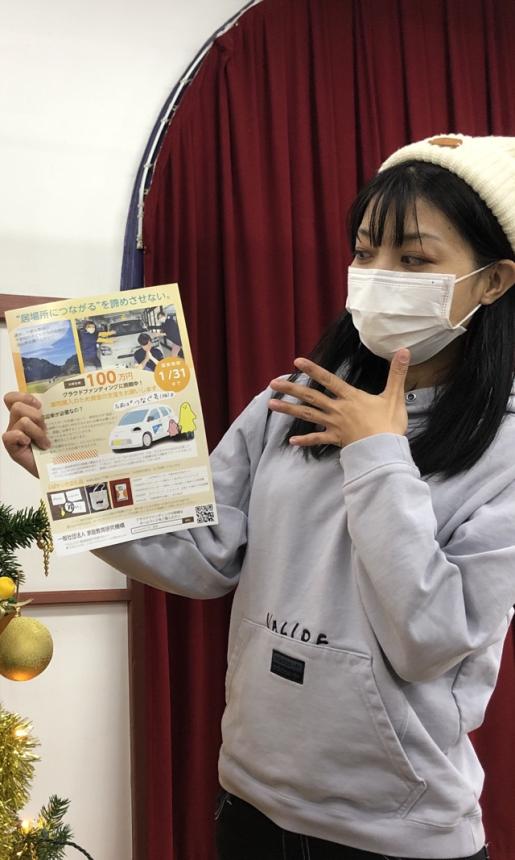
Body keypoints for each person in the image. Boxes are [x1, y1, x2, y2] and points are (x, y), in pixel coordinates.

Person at [4, 133, 515, 860]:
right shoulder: (296, 398)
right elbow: (204, 552)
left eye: (414, 260)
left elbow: (430, 639)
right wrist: (71, 472)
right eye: (364, 251)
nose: (376, 276)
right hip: (250, 799)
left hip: (397, 829)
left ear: (493, 281)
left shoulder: (502, 446)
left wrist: (376, 453)